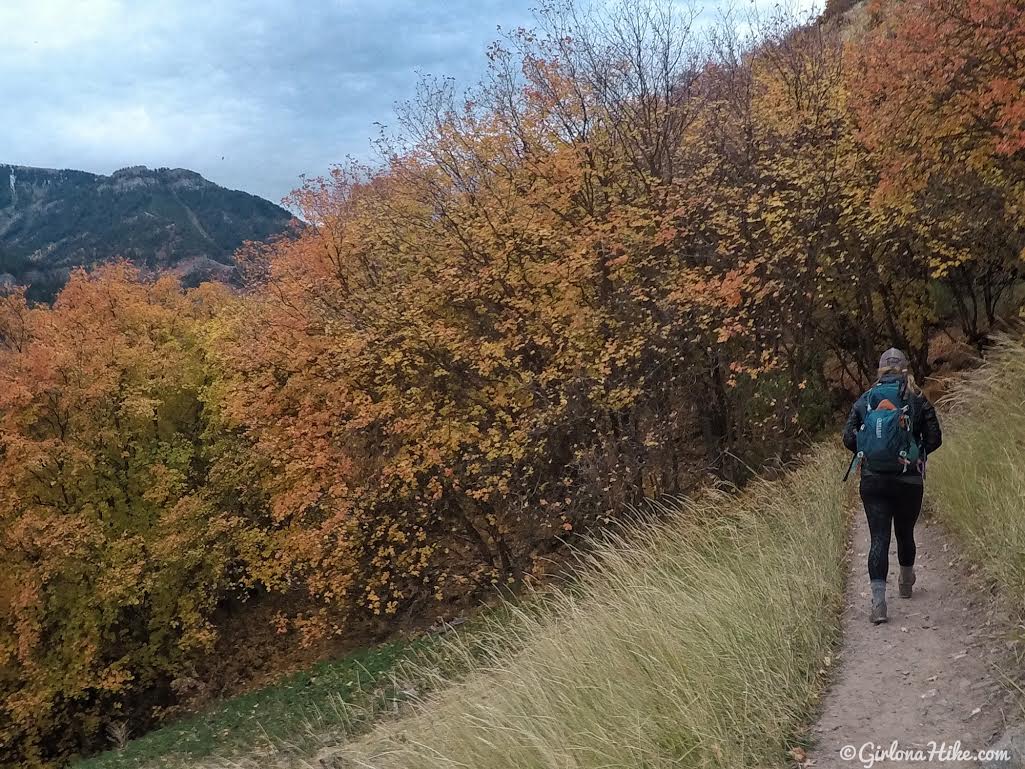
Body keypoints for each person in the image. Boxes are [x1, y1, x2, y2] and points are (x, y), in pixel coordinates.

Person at [842, 348, 943, 624]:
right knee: (905, 532)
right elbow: (935, 438)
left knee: (878, 539)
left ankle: (878, 604)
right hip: (909, 480)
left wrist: (869, 450)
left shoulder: (867, 399)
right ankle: (907, 581)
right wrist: (914, 453)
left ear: (881, 370)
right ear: (904, 369)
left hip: (873, 481)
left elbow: (848, 438)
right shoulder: (917, 398)